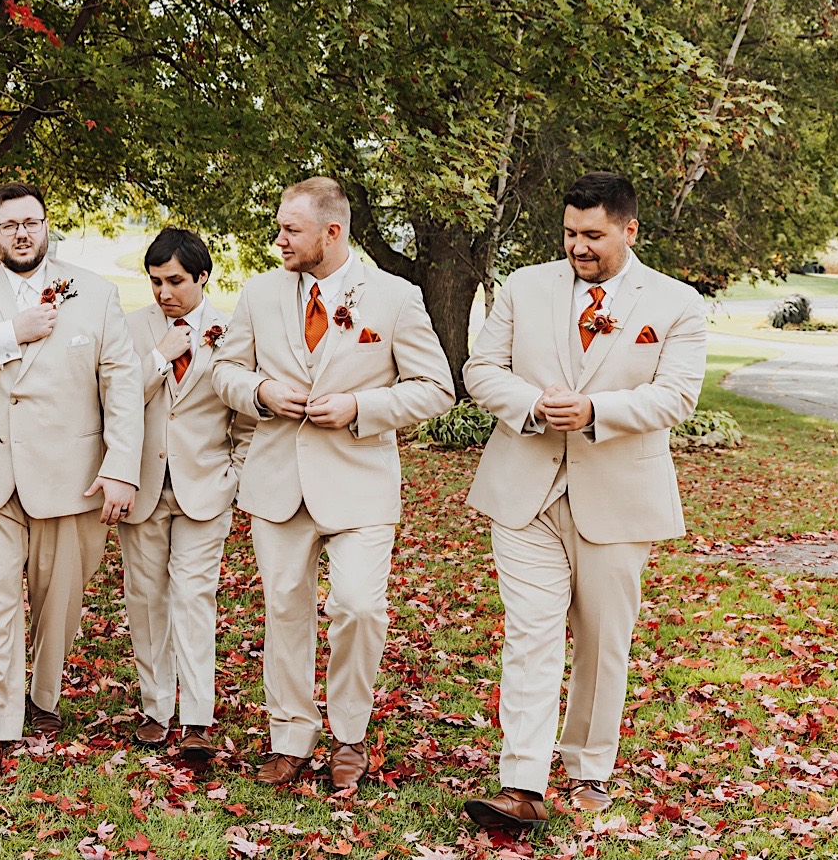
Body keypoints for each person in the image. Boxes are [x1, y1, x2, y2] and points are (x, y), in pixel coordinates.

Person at [461, 172, 706, 830]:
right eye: (570, 233)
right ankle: (521, 783)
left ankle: (589, 766)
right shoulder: (523, 286)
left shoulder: (677, 303)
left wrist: (597, 409)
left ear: (628, 229)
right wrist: (533, 406)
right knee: (531, 631)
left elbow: (677, 396)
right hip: (525, 490)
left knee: (602, 640)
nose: (578, 246)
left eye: (593, 235)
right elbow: (481, 370)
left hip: (620, 495)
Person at [212, 176, 453, 788]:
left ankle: (350, 734)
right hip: (276, 482)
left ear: (332, 231)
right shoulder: (260, 294)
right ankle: (289, 735)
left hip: (360, 484)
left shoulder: (396, 298)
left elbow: (435, 388)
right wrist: (261, 392)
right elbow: (226, 370)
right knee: (285, 609)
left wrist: (359, 408)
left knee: (360, 606)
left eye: (291, 229)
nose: (279, 239)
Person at [0, 182, 143, 782]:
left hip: (70, 477)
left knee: (59, 601)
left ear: (47, 226)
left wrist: (122, 465)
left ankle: (41, 699)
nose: (22, 233)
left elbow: (120, 382)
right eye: (9, 224)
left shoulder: (94, 294)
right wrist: (9, 332)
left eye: (32, 222)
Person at [118, 227, 254, 759]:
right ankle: (157, 707)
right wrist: (158, 354)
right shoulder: (132, 328)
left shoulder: (235, 329)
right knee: (146, 599)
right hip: (144, 487)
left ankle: (197, 717)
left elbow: (245, 415)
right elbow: (116, 400)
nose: (164, 293)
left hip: (206, 488)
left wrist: (235, 475)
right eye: (155, 282)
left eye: (175, 281)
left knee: (195, 598)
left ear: (202, 276)